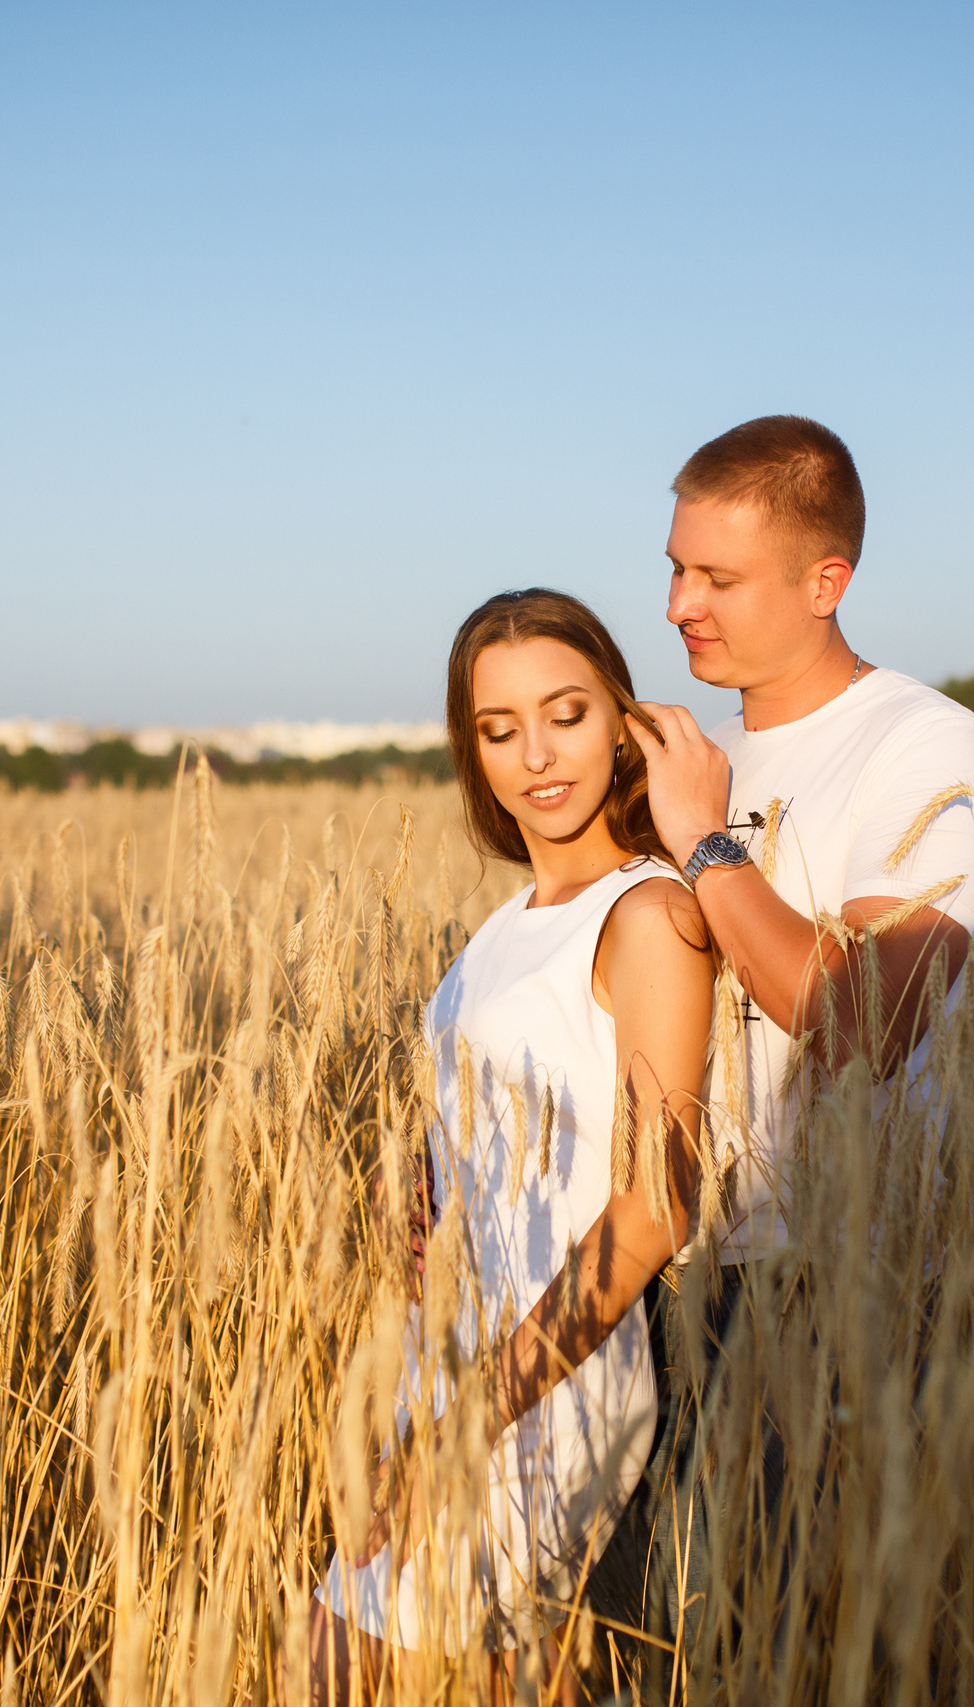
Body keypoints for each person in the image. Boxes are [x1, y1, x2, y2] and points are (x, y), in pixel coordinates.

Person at [610, 413, 974, 1665]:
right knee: (643, 1647)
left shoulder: (921, 743)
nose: (678, 603)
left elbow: (870, 1022)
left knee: (771, 1648)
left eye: (717, 577)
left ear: (824, 581)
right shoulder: (702, 756)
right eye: (675, 566)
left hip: (827, 1290)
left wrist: (705, 844)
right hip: (660, 1274)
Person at [305, 589, 718, 1705]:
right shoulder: (513, 918)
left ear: (622, 721)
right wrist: (427, 1203)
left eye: (566, 713)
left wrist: (465, 1426)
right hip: (448, 1357)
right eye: (498, 729)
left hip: (543, 1382)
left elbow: (654, 1208)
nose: (536, 755)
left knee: (338, 1673)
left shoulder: (649, 917)